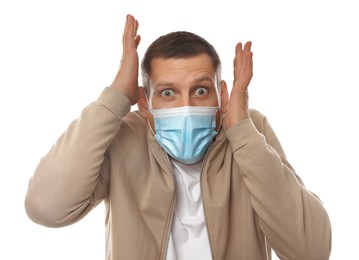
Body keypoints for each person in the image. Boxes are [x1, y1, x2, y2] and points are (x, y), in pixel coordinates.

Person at [25, 14, 331, 260]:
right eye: (168, 93)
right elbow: (46, 207)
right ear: (144, 102)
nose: (186, 107)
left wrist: (242, 130)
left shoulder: (249, 131)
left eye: (200, 91)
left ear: (221, 96)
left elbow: (312, 251)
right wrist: (116, 95)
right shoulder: (125, 137)